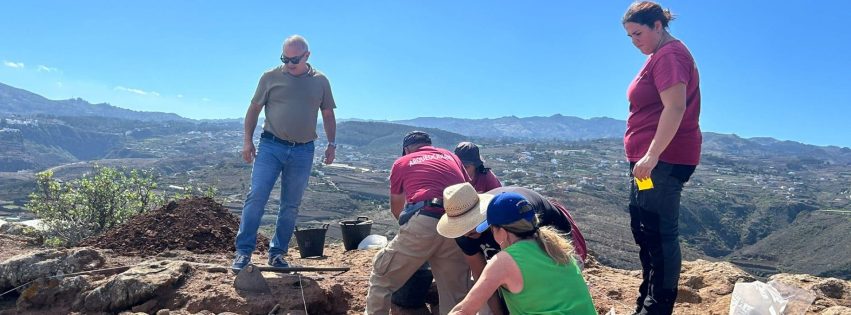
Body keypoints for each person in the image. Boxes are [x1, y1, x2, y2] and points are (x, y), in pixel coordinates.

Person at [231, 35, 338, 271]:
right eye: (285, 58)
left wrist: (332, 144)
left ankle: (277, 254)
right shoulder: (270, 77)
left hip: (303, 150)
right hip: (271, 145)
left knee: (290, 205)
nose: (289, 63)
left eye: (294, 59)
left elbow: (328, 115)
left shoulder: (320, 81)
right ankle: (243, 253)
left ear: (307, 56)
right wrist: (247, 141)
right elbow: (254, 109)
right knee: (256, 196)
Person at [622, 2, 702, 314]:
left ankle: (658, 306)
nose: (634, 41)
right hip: (649, 162)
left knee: (658, 232)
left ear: (658, 25)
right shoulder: (658, 56)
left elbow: (676, 107)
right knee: (644, 229)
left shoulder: (670, 54)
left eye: (638, 33)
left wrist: (652, 154)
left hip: (662, 161)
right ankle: (648, 299)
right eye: (629, 36)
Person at [437, 185, 588, 315]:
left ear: (499, 231)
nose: (468, 236)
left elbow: (463, 311)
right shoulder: (557, 247)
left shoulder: (503, 261)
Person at [365, 131, 472, 315]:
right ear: (430, 145)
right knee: (456, 295)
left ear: (406, 149)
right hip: (456, 223)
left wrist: (412, 232)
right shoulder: (451, 156)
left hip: (425, 219)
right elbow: (466, 189)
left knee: (382, 278)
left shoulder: (402, 162)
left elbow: (397, 208)